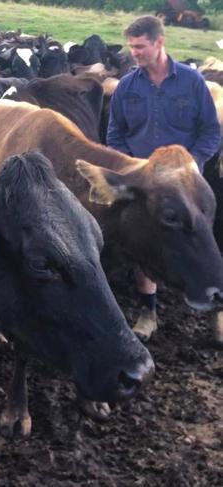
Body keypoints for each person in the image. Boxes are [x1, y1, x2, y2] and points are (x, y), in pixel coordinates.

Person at [107, 15, 221, 341]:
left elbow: (211, 131)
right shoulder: (127, 85)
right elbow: (115, 134)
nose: (135, 54)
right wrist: (130, 165)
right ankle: (148, 312)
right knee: (146, 245)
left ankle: (216, 313)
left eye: (140, 47)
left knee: (202, 243)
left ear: (159, 42)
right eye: (131, 47)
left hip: (187, 180)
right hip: (146, 179)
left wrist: (194, 163)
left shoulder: (191, 81)